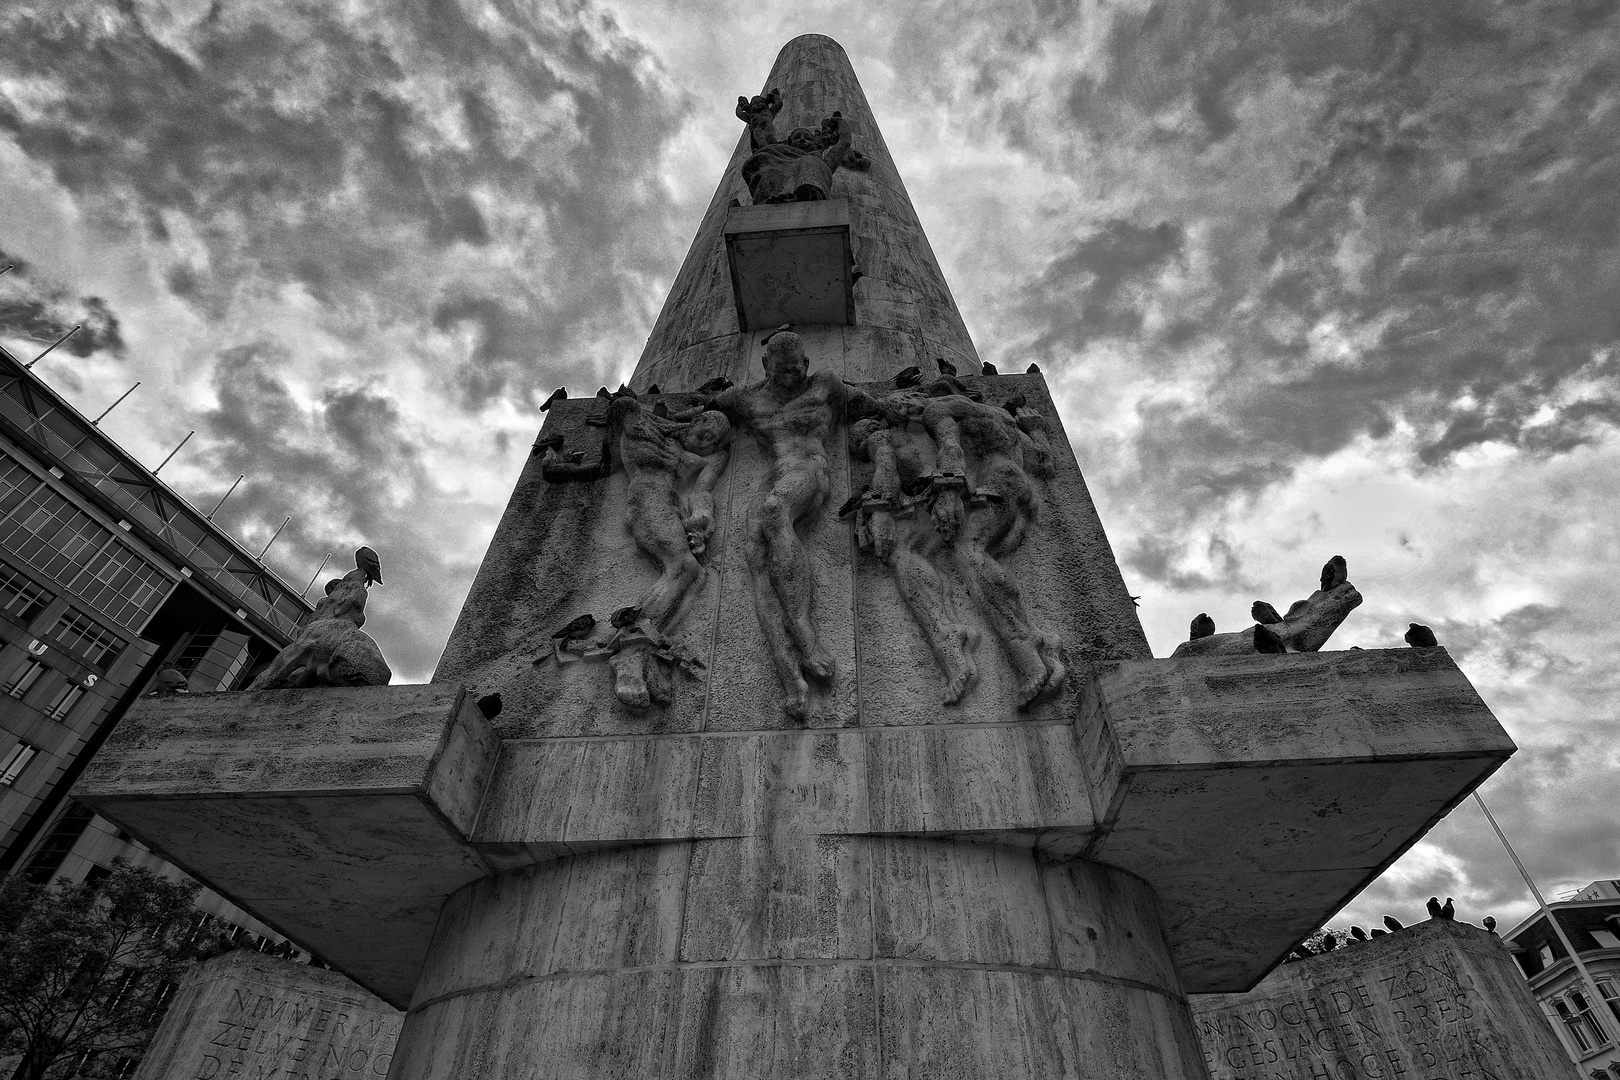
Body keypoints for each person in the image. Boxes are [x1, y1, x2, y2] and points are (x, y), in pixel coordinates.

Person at [709, 331, 880, 719]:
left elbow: (876, 407)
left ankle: (806, 634)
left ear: (806, 363)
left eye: (798, 368)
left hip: (809, 469)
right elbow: (701, 414)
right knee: (754, 555)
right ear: (766, 365)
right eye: (782, 370)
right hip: (774, 471)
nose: (792, 376)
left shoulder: (826, 385)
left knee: (774, 511)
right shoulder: (745, 398)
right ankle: (790, 674)